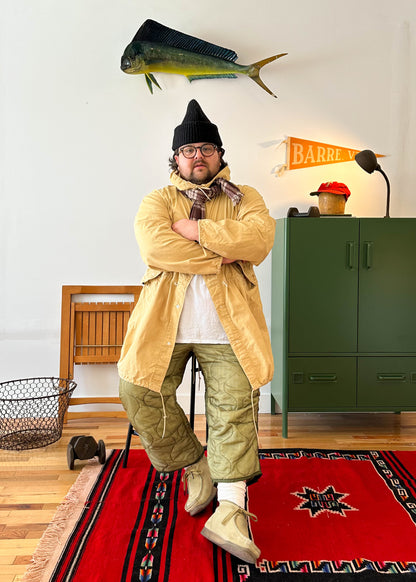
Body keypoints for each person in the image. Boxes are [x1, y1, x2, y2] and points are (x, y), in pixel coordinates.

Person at [118, 99, 275, 563]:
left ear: (220, 154)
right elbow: (156, 248)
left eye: (207, 148)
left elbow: (258, 240)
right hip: (164, 325)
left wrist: (194, 230)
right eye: (188, 150)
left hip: (230, 329)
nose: (198, 156)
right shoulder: (157, 200)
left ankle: (231, 509)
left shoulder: (246, 197)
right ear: (176, 158)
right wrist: (223, 251)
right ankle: (193, 463)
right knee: (136, 389)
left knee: (233, 411)